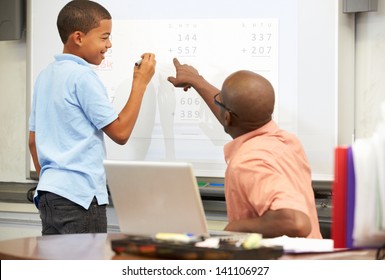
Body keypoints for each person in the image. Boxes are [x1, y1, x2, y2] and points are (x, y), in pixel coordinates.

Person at [28, 0, 156, 235]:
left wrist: (54, 183)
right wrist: (140, 83)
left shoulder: (44, 76)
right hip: (81, 199)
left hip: (49, 196)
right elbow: (120, 133)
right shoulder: (83, 77)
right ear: (78, 37)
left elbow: (33, 142)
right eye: (104, 37)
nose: (109, 44)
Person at [168, 58, 322, 238]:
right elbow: (236, 111)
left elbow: (295, 222)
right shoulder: (287, 142)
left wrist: (236, 228)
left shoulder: (248, 161)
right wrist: (197, 81)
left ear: (228, 118)